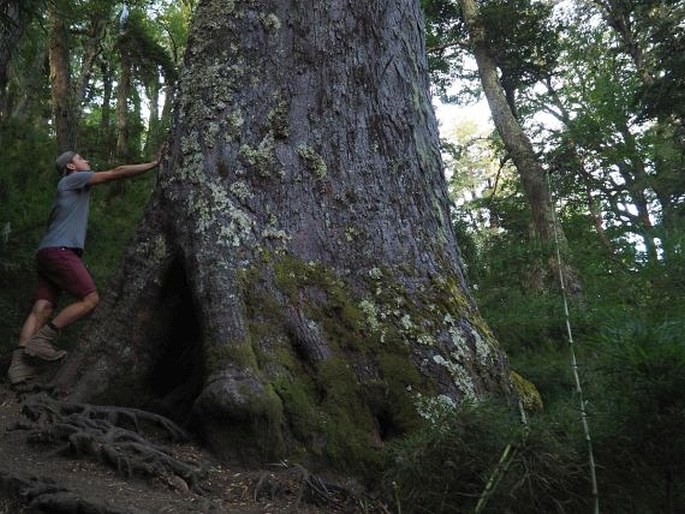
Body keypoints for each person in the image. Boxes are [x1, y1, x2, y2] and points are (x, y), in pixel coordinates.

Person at [7, 150, 162, 386]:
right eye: (81, 159)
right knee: (90, 299)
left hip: (46, 253)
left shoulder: (67, 185)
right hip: (61, 251)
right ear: (71, 166)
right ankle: (42, 341)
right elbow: (116, 173)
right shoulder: (74, 179)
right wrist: (154, 163)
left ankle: (18, 367)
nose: (87, 161)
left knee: (42, 307)